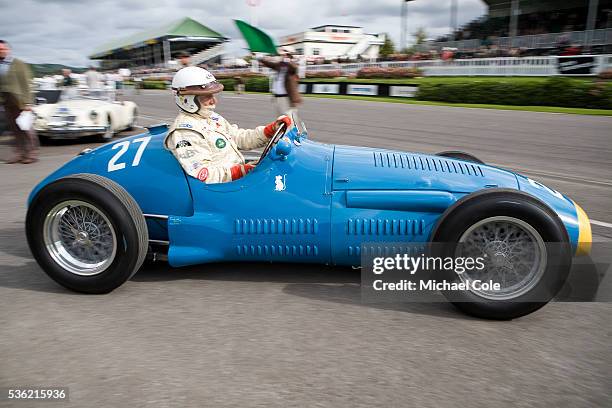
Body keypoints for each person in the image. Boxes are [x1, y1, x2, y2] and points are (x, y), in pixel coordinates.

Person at [165, 66, 291, 184]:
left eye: (213, 95)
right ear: (187, 99)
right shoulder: (184, 132)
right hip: (222, 192)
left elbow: (239, 138)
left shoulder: (212, 117)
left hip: (237, 180)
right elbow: (204, 174)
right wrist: (240, 171)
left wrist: (270, 130)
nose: (214, 101)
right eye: (206, 96)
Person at [0, 39, 38, 164]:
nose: (1, 51)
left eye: (2, 49)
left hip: (20, 101)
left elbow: (27, 83)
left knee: (26, 128)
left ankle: (31, 154)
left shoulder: (18, 64)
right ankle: (20, 154)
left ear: (8, 49)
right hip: (6, 101)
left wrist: (28, 103)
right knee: (15, 129)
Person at [258, 46, 302, 121]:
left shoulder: (292, 65)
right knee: (280, 120)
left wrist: (287, 58)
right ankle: (285, 132)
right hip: (278, 96)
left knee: (289, 120)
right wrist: (259, 58)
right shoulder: (280, 65)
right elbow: (269, 64)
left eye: (285, 54)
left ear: (289, 55)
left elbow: (294, 68)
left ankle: (295, 132)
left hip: (287, 97)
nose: (282, 55)